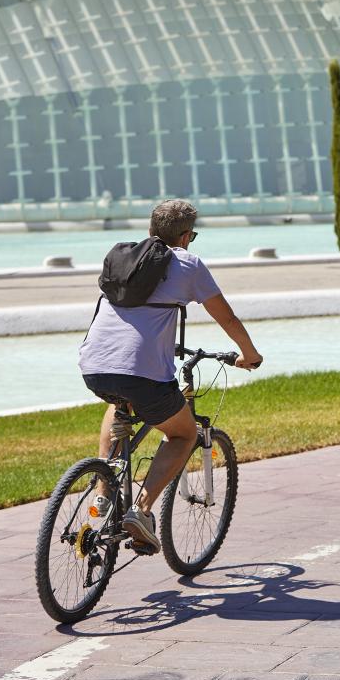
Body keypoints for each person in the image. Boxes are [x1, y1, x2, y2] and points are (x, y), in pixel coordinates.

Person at [79, 199, 263, 554]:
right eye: (192, 234)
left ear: (150, 230)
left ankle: (102, 493)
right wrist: (249, 354)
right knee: (184, 434)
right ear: (185, 236)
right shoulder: (187, 263)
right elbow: (226, 318)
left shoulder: (121, 257)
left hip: (94, 365)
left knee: (119, 402)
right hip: (144, 374)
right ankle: (141, 511)